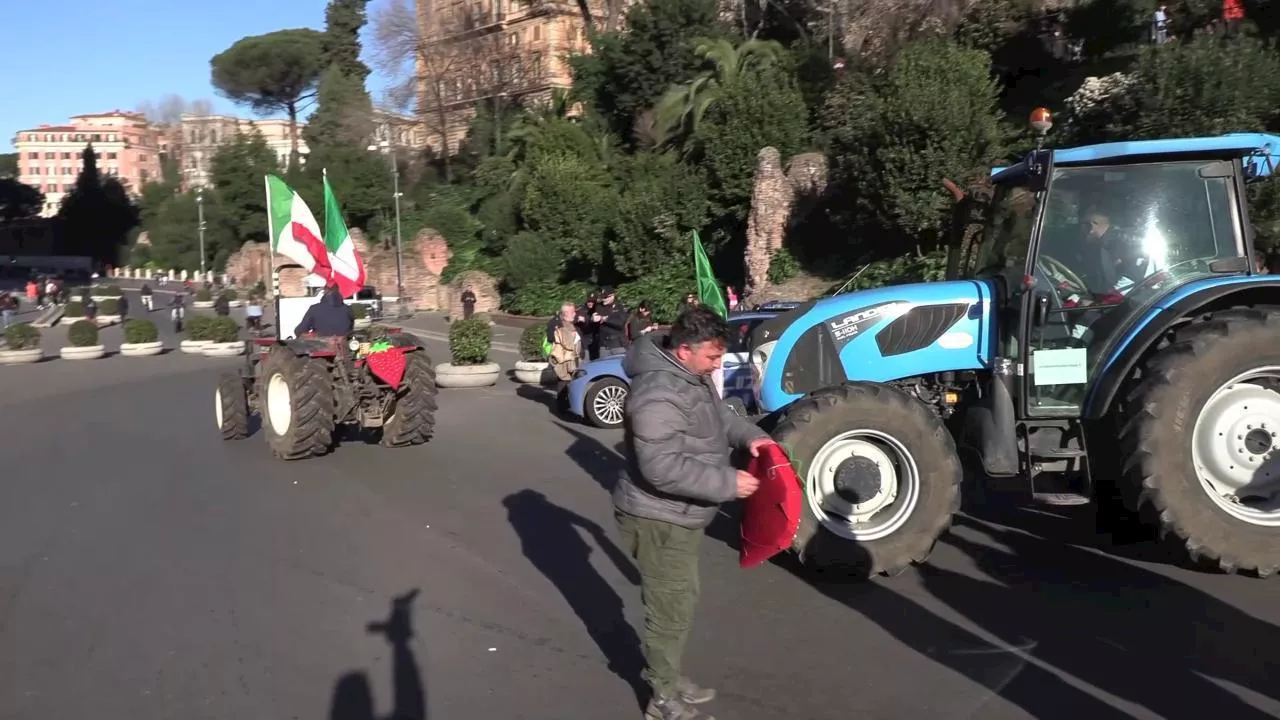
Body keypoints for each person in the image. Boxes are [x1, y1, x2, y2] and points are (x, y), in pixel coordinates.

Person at [615, 306, 770, 720]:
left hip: (680, 513)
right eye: (712, 357)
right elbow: (660, 468)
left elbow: (719, 418)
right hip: (659, 517)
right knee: (670, 610)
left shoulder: (692, 378)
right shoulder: (656, 395)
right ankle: (661, 699)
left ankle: (667, 674)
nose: (717, 365)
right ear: (683, 350)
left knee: (680, 602)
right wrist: (728, 484)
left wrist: (753, 438)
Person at [548, 301, 582, 388]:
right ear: (566, 313)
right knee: (564, 383)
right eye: (573, 312)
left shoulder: (572, 323)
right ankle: (562, 401)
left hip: (573, 359)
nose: (575, 314)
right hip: (563, 360)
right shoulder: (556, 323)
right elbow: (552, 338)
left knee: (572, 384)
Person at [592, 286, 629, 357]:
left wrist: (605, 319)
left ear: (612, 296)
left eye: (606, 297)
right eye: (603, 297)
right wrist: (592, 319)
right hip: (604, 345)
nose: (604, 299)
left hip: (617, 344)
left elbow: (620, 323)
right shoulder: (599, 307)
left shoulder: (619, 307)